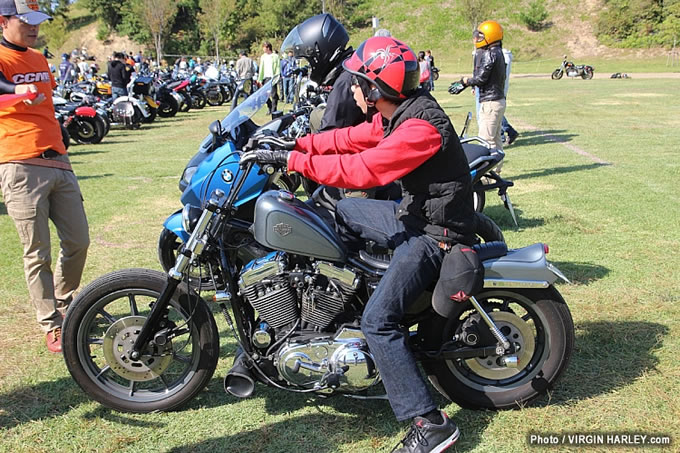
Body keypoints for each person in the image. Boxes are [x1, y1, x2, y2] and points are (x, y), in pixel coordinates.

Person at [244, 36, 473, 452]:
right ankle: (338, 301)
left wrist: (293, 162)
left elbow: (363, 169)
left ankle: (431, 424)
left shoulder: (420, 127)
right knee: (346, 209)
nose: (351, 89)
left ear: (375, 88)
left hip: (433, 234)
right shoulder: (399, 113)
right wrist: (294, 144)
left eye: (357, 82)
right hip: (412, 215)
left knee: (378, 321)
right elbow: (351, 139)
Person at [0, 0, 90, 354]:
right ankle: (51, 323)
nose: (34, 28)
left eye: (37, 21)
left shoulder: (38, 59)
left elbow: (47, 104)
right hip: (19, 164)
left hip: (58, 160)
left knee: (78, 240)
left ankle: (65, 303)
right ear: (3, 22)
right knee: (37, 252)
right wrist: (14, 91)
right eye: (25, 22)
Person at [462, 20, 506, 151]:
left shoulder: (490, 54)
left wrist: (466, 81)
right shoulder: (499, 52)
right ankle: (498, 164)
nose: (478, 39)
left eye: (481, 36)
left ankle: (490, 164)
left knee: (486, 140)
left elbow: (481, 78)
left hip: (490, 102)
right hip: (499, 100)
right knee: (496, 139)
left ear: (490, 36)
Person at [500, 48, 519, 146]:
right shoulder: (504, 56)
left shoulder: (501, 56)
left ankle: (507, 132)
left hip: (497, 90)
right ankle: (503, 133)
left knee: (496, 113)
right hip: (500, 89)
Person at [257, 41, 280, 114]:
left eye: (264, 47)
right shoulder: (263, 57)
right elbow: (261, 68)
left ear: (268, 48)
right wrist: (259, 79)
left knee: (273, 94)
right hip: (265, 77)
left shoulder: (275, 56)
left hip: (272, 77)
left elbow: (278, 67)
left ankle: (274, 109)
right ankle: (269, 106)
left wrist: (277, 77)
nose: (263, 49)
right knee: (264, 95)